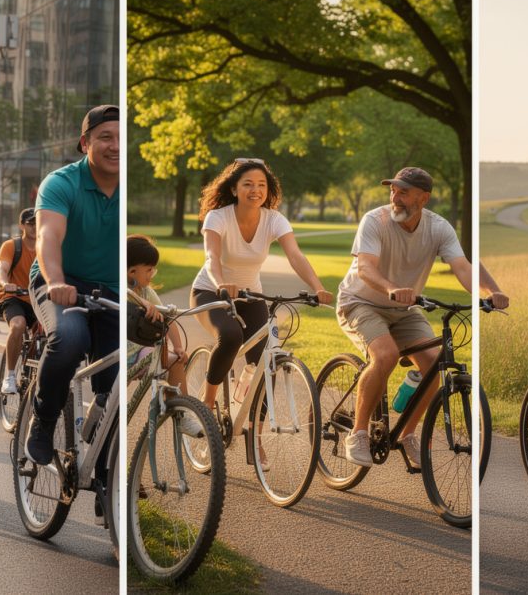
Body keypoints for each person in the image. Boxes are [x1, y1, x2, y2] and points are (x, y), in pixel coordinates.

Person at [335, 167, 472, 468]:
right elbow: (365, 268)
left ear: (423, 198)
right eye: (393, 190)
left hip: (403, 309)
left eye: (403, 192)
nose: (395, 197)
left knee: (435, 363)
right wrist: (392, 288)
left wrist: (485, 294)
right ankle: (358, 433)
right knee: (385, 355)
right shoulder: (375, 220)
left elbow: (461, 266)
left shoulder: (438, 228)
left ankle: (408, 434)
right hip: (361, 301)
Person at [189, 158, 333, 419]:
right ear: (234, 189)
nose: (255, 190)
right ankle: (206, 407)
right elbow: (211, 256)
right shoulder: (218, 217)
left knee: (267, 361)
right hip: (211, 292)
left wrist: (318, 287)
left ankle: (255, 435)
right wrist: (221, 283)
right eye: (247, 184)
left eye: (261, 185)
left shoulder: (274, 219)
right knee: (230, 336)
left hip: (251, 296)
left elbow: (296, 256)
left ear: (268, 190)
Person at [24, 104, 120, 466]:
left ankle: (105, 477)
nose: (115, 147)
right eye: (105, 138)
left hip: (110, 288)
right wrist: (57, 282)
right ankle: (44, 420)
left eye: (121, 140)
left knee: (115, 384)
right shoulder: (62, 183)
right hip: (61, 281)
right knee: (70, 337)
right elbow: (47, 237)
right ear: (85, 143)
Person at [127, 234, 189, 397]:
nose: (152, 273)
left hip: (141, 353)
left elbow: (167, 319)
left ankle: (182, 411)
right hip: (118, 357)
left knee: (175, 360)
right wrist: (141, 302)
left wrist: (178, 347)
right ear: (132, 271)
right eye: (149, 270)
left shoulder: (147, 292)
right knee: (111, 404)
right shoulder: (117, 288)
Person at [0, 207, 38, 395]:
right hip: (14, 297)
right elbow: (2, 270)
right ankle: (10, 376)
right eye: (30, 223)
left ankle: (37, 371)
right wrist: (6, 284)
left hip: (38, 300)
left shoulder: (47, 246)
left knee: (51, 333)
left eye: (38, 222)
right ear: (22, 225)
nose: (35, 227)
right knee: (18, 325)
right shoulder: (12, 246)